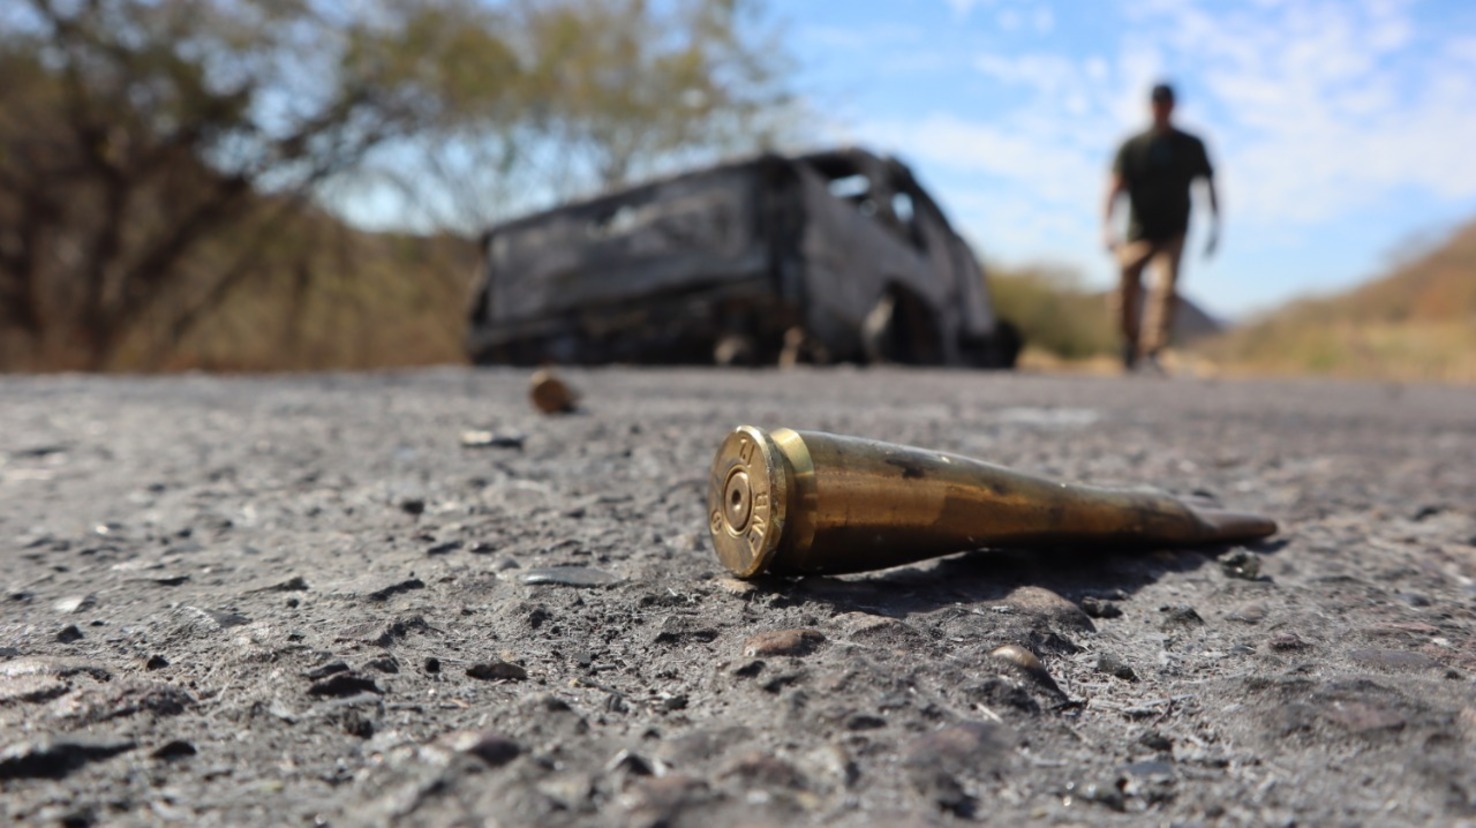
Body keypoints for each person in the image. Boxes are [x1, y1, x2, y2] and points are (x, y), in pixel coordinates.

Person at [1102, 82, 1219, 371]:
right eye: (1157, 103)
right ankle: (1131, 344)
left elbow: (1209, 185)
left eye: (1166, 103)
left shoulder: (1192, 146)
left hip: (1174, 231)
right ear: (1150, 106)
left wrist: (1215, 225)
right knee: (1124, 288)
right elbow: (1114, 187)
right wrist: (1107, 227)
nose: (1161, 109)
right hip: (1138, 232)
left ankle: (1153, 350)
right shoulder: (1133, 145)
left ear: (1173, 106)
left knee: (1165, 289)